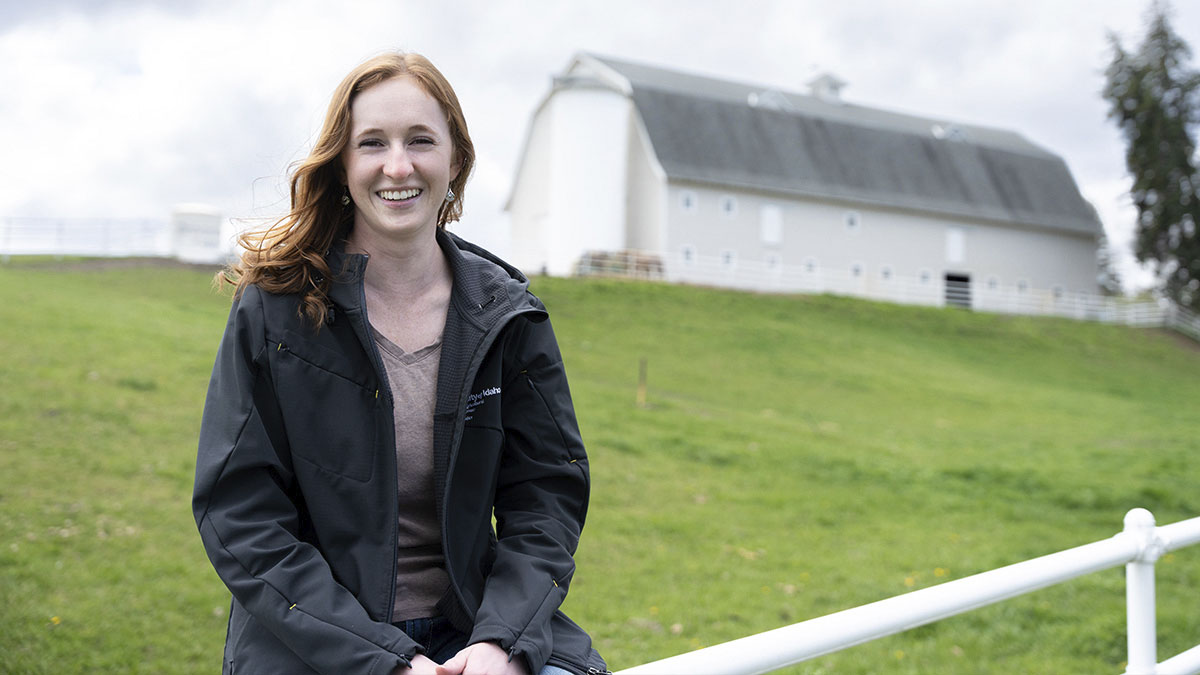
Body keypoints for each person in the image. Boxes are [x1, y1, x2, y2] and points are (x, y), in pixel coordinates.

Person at [192, 51, 608, 675]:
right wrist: (385, 660)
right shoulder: (274, 308)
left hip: (476, 628)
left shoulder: (508, 314)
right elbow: (241, 514)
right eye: (372, 143)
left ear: (456, 159)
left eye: (420, 140)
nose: (397, 165)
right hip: (317, 644)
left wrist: (503, 643)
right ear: (341, 165)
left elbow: (545, 495)